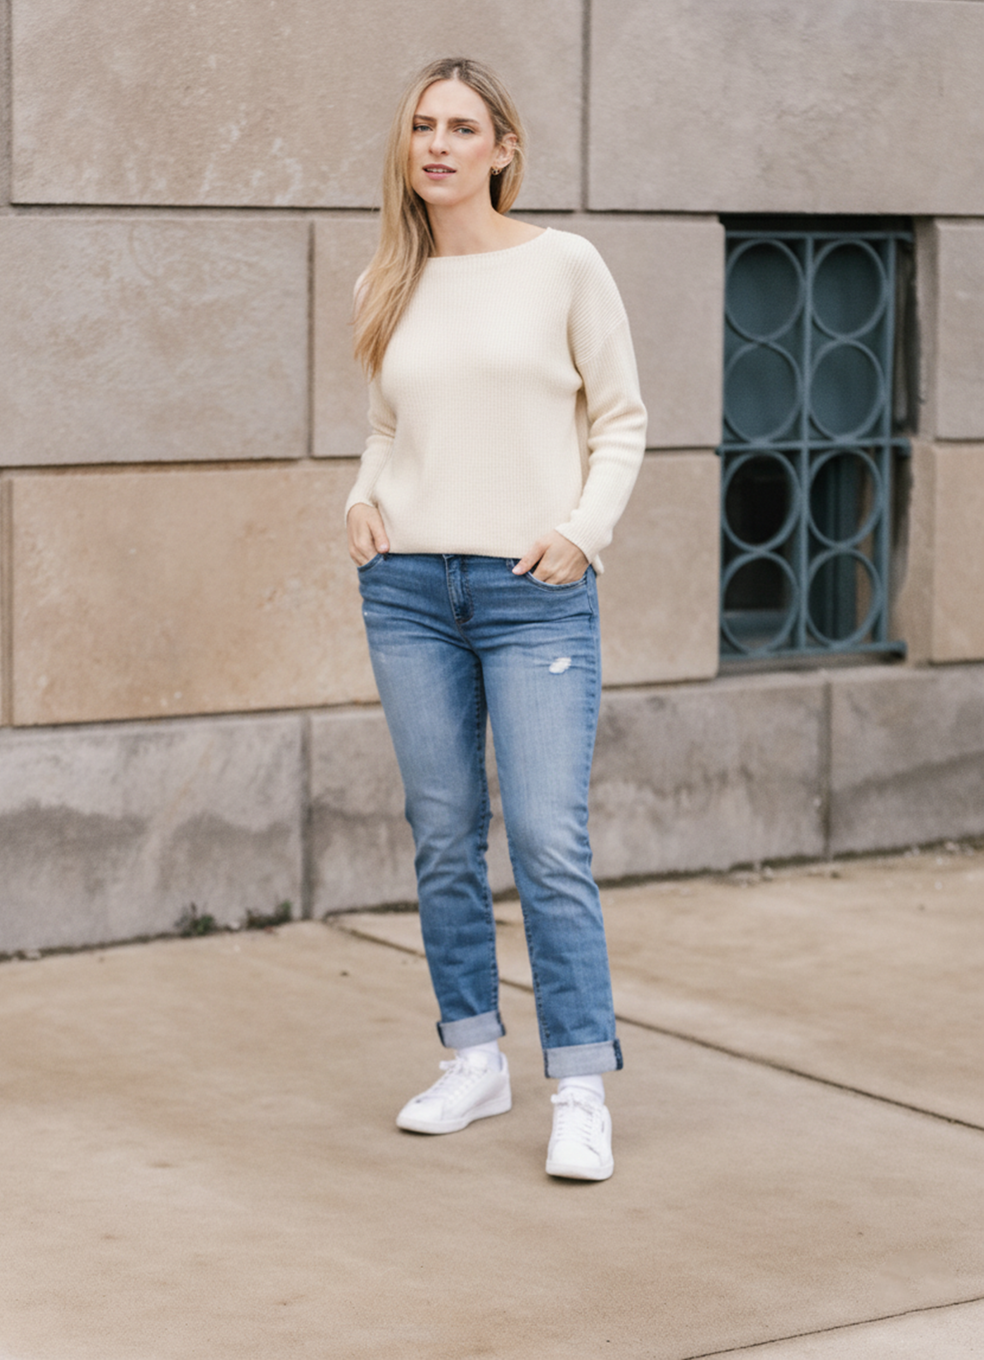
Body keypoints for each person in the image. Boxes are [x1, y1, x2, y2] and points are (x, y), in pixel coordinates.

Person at [347, 57, 646, 1181]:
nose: (437, 145)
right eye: (422, 125)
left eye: (462, 128)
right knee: (441, 834)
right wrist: (359, 497)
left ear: (503, 149)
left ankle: (580, 1085)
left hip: (534, 593)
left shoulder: (565, 264)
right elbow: (388, 427)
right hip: (409, 591)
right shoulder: (390, 276)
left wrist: (583, 531)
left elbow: (620, 418)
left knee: (548, 841)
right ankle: (473, 1056)